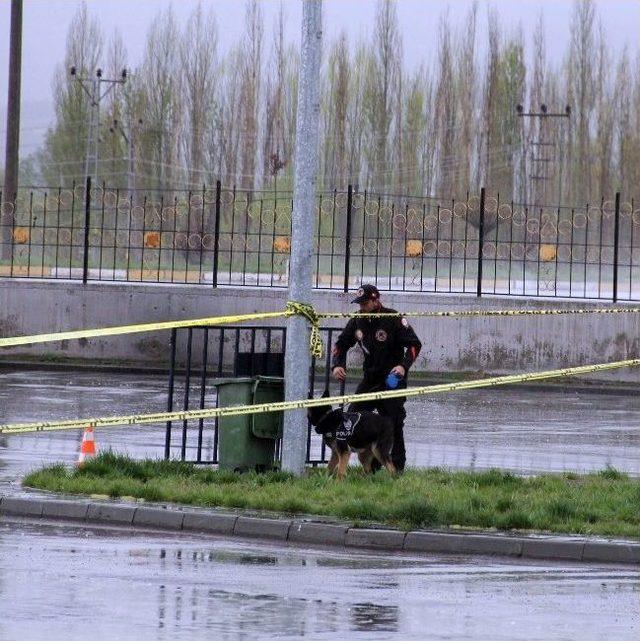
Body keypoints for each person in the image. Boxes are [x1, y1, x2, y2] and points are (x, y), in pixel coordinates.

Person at [330, 284, 422, 472]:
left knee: (393, 423)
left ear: (375, 300)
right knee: (352, 418)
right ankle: (368, 466)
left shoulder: (393, 318)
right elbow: (341, 344)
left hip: (392, 380)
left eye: (365, 303)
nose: (361, 307)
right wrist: (337, 364)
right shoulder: (358, 321)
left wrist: (403, 366)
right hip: (370, 379)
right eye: (359, 303)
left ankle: (397, 468)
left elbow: (414, 345)